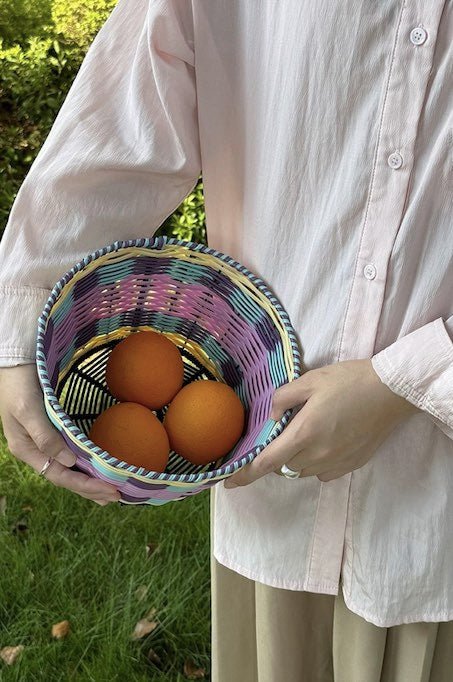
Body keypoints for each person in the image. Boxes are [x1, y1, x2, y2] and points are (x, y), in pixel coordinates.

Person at [0, 1, 452, 680]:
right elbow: (130, 110)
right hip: (269, 495)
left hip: (433, 513)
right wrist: (21, 321)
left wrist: (416, 374)